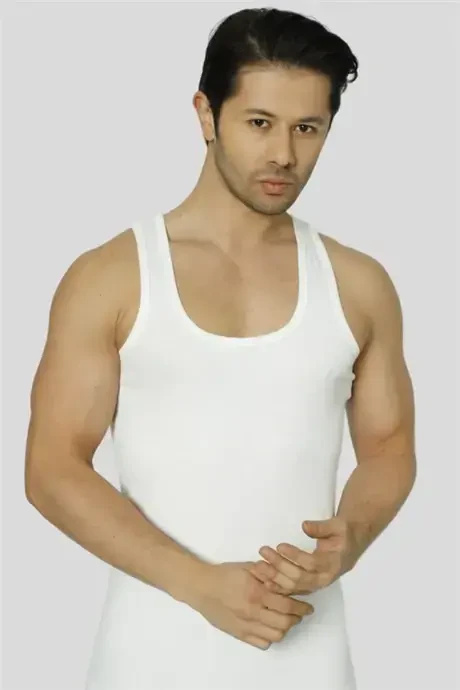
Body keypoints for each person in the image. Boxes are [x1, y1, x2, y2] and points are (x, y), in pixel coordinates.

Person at [24, 7, 417, 690]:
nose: (284, 154)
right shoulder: (113, 278)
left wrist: (353, 533)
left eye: (307, 128)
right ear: (206, 115)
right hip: (147, 662)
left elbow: (389, 446)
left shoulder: (358, 285)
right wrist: (198, 584)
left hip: (313, 661)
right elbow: (51, 468)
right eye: (260, 123)